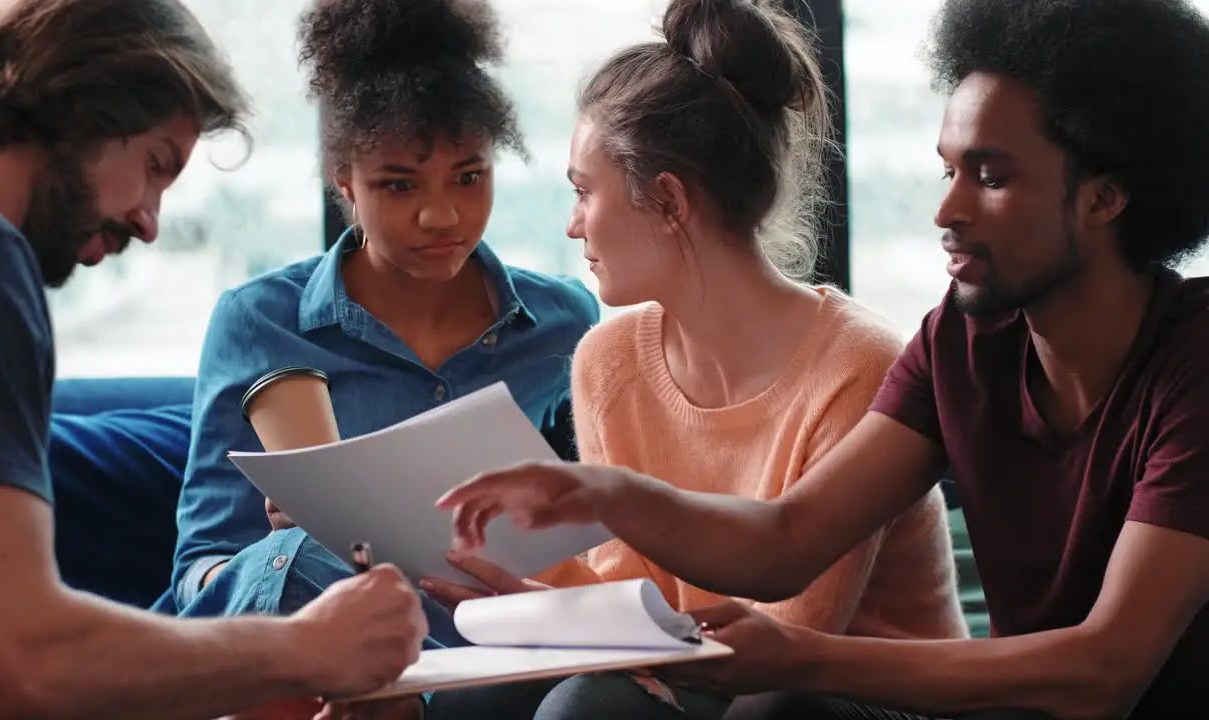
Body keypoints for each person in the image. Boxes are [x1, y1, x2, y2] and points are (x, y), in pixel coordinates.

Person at [439, 0, 1209, 718]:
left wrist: (800, 660)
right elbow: (785, 541)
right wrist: (601, 495)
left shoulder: (1194, 363)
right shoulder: (963, 345)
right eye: (949, 172)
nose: (947, 211)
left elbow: (1107, 670)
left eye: (993, 177)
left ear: (1106, 199)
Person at [419, 1, 966, 718]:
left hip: (837, 695)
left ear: (669, 200)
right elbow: (633, 595)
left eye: (585, 192)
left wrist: (627, 656)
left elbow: (791, 647)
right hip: (700, 674)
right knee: (467, 700)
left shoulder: (856, 364)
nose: (572, 223)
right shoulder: (608, 360)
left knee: (591, 706)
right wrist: (529, 604)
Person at [0, 1, 431, 719]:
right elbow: (16, 661)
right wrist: (309, 647)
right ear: (84, 100)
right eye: (155, 166)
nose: (149, 220)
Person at [163, 0, 597, 715]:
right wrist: (300, 541)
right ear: (344, 185)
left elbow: (594, 546)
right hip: (314, 650)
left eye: (469, 177)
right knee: (302, 563)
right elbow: (202, 576)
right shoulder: (259, 322)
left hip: (494, 665)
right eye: (399, 185)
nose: (442, 216)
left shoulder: (563, 323)